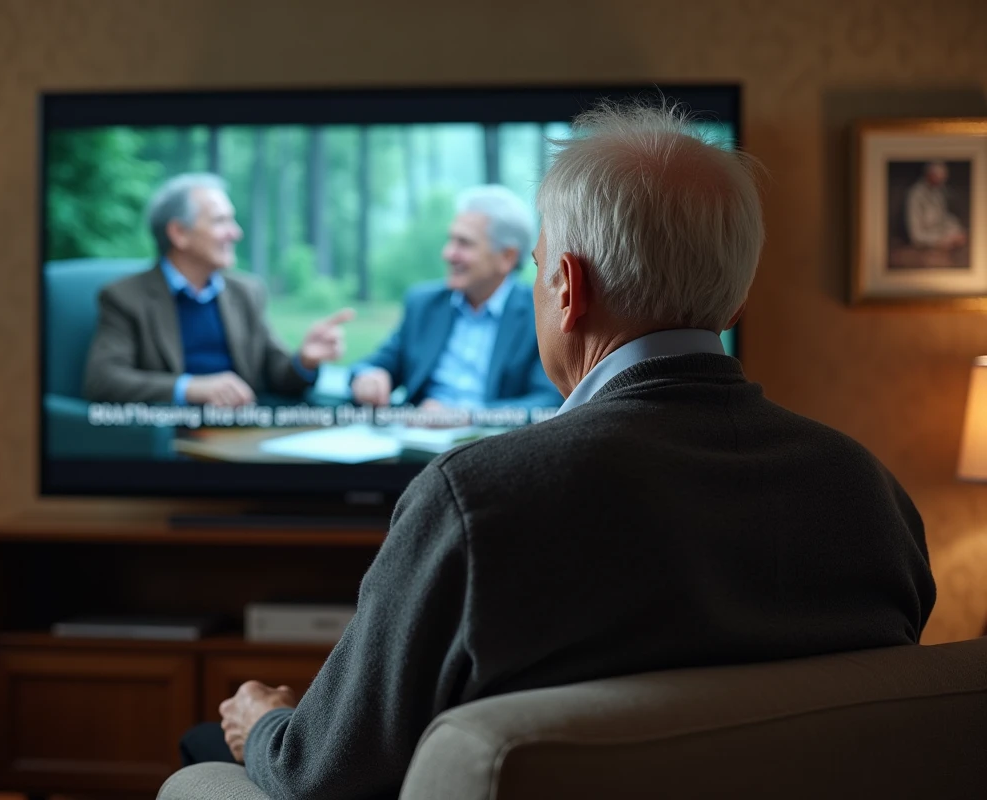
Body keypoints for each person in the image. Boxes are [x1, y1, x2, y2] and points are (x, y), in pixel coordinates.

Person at [178, 103, 936, 800]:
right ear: (738, 299)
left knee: (208, 747)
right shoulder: (871, 492)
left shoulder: (476, 501)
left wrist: (265, 722)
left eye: (541, 267)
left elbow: (324, 773)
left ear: (567, 288)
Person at [82, 173, 352, 406]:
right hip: (172, 442)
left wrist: (304, 360)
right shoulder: (124, 297)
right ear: (178, 233)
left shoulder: (246, 292)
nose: (235, 233)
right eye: (221, 221)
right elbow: (103, 380)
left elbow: (277, 374)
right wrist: (191, 388)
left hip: (242, 435)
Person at [349, 185, 561, 412]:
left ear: (507, 257)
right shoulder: (424, 304)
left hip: (493, 443)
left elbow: (549, 402)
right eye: (451, 240)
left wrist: (468, 417)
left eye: (464, 243)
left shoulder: (540, 314)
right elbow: (375, 364)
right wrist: (369, 377)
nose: (448, 253)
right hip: (416, 436)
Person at [905, 160, 968, 251]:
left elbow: (944, 218)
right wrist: (942, 240)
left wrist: (957, 232)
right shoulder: (915, 196)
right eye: (938, 178)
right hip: (925, 243)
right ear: (929, 175)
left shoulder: (937, 193)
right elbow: (916, 236)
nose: (941, 183)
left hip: (942, 238)